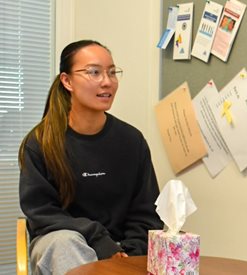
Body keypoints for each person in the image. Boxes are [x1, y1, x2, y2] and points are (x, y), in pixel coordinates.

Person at [18, 40, 163, 275]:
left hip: (121, 251)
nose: (107, 81)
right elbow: (42, 214)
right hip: (58, 246)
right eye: (94, 72)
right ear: (67, 81)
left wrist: (128, 254)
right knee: (65, 243)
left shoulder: (132, 141)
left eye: (112, 72)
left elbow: (146, 213)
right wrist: (96, 237)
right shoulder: (40, 143)